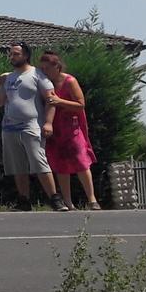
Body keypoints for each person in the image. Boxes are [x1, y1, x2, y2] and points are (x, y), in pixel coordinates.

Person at [0, 42, 69, 212]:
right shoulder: (7, 77)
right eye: (10, 54)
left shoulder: (37, 75)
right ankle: (24, 200)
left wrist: (48, 122)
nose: (12, 57)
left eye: (16, 54)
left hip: (31, 126)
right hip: (9, 127)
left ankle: (55, 199)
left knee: (39, 163)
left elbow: (51, 100)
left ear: (25, 55)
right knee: (18, 166)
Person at [38, 50, 102, 211]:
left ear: (57, 66)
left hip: (71, 127)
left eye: (47, 68)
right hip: (56, 129)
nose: (45, 71)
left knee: (81, 161)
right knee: (60, 165)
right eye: (42, 68)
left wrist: (60, 101)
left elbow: (81, 104)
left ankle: (92, 199)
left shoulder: (69, 81)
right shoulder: (46, 83)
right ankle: (68, 202)